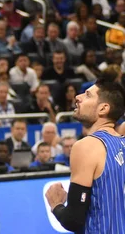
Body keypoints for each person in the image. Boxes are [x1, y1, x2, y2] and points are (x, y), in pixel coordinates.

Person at [45, 80, 125, 233]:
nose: (77, 97)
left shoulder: (87, 146)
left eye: (87, 95)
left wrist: (56, 204)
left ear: (103, 108)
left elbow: (73, 220)